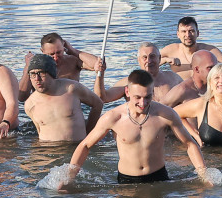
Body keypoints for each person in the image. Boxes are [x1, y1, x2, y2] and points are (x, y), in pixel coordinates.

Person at [66, 69, 207, 184]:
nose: (143, 103)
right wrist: (69, 177)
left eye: (148, 97)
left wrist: (204, 174)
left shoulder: (165, 114)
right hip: (127, 179)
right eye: (137, 97)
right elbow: (85, 145)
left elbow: (189, 144)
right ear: (127, 92)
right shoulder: (114, 117)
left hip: (158, 177)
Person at [23, 53, 105, 143]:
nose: (37, 79)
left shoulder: (71, 88)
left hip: (76, 147)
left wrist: (89, 135)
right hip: (48, 151)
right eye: (32, 74)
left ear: (52, 73)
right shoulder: (30, 104)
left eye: (41, 73)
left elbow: (98, 104)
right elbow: (39, 131)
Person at [19, 32, 99, 101]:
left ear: (64, 47)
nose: (56, 58)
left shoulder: (72, 61)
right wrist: (28, 66)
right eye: (51, 54)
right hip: (45, 108)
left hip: (71, 106)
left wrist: (73, 51)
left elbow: (98, 65)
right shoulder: (36, 67)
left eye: (59, 52)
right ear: (42, 51)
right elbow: (21, 97)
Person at [95, 42, 183, 104]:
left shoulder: (173, 78)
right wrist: (100, 75)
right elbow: (103, 98)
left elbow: (190, 96)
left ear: (159, 58)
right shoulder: (129, 82)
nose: (149, 61)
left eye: (152, 56)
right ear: (139, 60)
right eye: (144, 57)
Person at [158, 16, 222, 79]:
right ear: (178, 34)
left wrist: (215, 65)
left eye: (191, 31)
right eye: (184, 31)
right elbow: (147, 66)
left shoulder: (209, 51)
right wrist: (165, 60)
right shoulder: (170, 50)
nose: (188, 35)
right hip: (181, 94)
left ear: (198, 33)